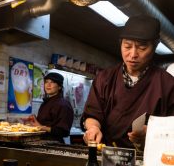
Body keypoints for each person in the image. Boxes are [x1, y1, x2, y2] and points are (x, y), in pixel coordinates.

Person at [81, 15, 174, 149]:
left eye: (142, 48)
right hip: (107, 154)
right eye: (127, 46)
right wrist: (93, 128)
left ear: (155, 46)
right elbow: (92, 114)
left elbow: (171, 126)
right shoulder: (104, 78)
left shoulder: (167, 84)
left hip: (147, 158)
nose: (133, 54)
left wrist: (153, 132)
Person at [24, 72, 74, 143]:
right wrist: (34, 120)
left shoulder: (63, 105)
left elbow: (63, 132)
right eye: (46, 82)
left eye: (52, 82)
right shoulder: (45, 103)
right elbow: (41, 125)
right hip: (41, 142)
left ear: (59, 87)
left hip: (54, 144)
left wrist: (42, 127)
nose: (48, 85)